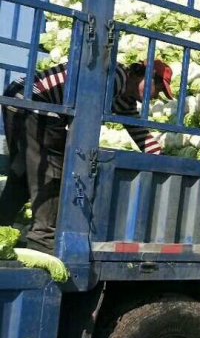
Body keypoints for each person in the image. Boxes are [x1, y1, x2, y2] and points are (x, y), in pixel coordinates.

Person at [0, 59, 174, 252]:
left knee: (22, 175)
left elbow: (140, 134)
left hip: (16, 96)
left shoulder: (124, 97)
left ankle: (2, 228)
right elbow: (85, 116)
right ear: (146, 77)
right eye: (158, 89)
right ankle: (42, 239)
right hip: (36, 102)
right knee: (53, 172)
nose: (156, 96)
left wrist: (163, 159)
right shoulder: (116, 77)